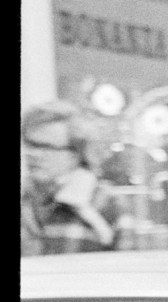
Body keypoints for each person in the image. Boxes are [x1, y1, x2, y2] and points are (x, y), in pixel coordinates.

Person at [21, 102, 121, 253]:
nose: (33, 154)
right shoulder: (26, 199)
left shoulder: (106, 202)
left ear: (76, 154)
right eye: (30, 144)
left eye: (46, 147)